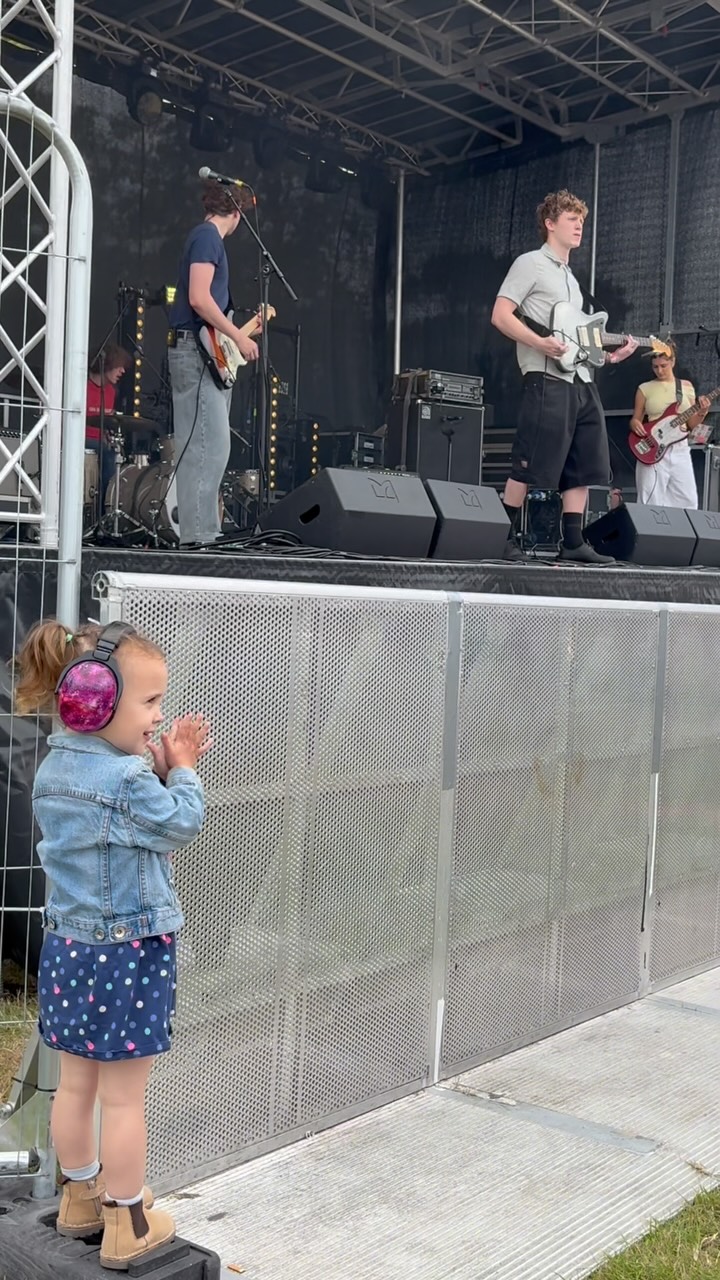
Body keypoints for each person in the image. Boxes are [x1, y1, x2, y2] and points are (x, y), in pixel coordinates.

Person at [14, 619, 211, 1270]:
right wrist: (179, 770)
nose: (158, 716)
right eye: (150, 702)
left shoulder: (52, 768)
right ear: (94, 699)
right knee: (124, 1097)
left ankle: (80, 1196)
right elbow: (178, 824)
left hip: (68, 951)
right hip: (126, 955)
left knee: (76, 1085)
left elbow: (112, 824)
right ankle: (128, 1222)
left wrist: (150, 763)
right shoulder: (128, 782)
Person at [491, 189, 638, 564]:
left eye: (582, 221)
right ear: (550, 223)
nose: (579, 226)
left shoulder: (572, 280)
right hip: (546, 377)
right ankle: (502, 538)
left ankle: (572, 542)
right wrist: (539, 342)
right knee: (529, 461)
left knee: (585, 462)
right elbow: (501, 315)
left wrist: (611, 356)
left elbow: (578, 342)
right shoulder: (530, 264)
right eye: (571, 219)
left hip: (581, 380)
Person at [168, 179, 260, 547]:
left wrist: (235, 334)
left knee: (208, 445)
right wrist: (239, 336)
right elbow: (199, 299)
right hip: (194, 351)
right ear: (236, 214)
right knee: (209, 445)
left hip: (201, 350)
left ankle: (201, 533)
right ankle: (199, 536)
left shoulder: (205, 238)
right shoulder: (208, 238)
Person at [630, 341, 711, 508]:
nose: (659, 371)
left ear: (673, 362)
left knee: (688, 501)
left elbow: (690, 425)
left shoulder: (687, 387)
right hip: (653, 445)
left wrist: (702, 412)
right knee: (650, 500)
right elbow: (635, 419)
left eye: (663, 366)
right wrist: (635, 424)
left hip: (680, 448)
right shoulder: (644, 388)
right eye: (655, 367)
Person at [86, 344, 132, 504]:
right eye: (119, 366)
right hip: (82, 443)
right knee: (109, 454)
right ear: (106, 364)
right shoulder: (81, 387)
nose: (123, 371)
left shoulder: (111, 391)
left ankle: (111, 505)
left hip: (102, 443)